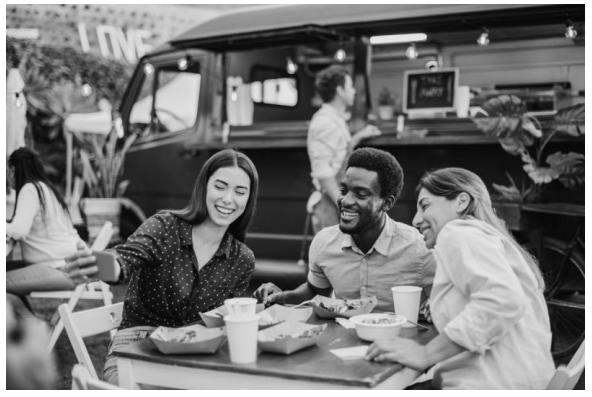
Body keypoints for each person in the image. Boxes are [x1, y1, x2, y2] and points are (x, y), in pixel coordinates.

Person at [63, 148, 259, 385]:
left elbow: (225, 322)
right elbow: (123, 259)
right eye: (220, 186)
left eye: (240, 191)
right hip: (136, 345)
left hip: (194, 351)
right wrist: (99, 265)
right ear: (204, 187)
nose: (228, 199)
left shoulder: (242, 259)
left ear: (249, 199)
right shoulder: (165, 226)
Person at [365, 168, 555, 389]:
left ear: (461, 202)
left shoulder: (458, 232)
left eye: (425, 206)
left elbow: (502, 300)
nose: (416, 220)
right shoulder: (489, 239)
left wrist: (426, 353)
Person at [254, 147, 435, 312]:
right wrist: (282, 297)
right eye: (344, 190)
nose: (345, 201)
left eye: (361, 194)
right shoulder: (324, 242)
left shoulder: (420, 250)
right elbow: (315, 292)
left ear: (387, 202)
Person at [6, 148, 88, 302]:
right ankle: (28, 324)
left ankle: (32, 325)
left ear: (13, 170)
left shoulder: (30, 189)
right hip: (68, 265)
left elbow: (18, 230)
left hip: (59, 268)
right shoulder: (45, 188)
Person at [307, 65, 381, 234]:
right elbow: (323, 172)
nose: (354, 91)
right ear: (340, 90)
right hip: (329, 203)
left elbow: (338, 153)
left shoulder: (334, 119)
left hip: (336, 200)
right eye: (350, 86)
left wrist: (359, 136)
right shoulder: (325, 122)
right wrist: (342, 203)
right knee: (331, 258)